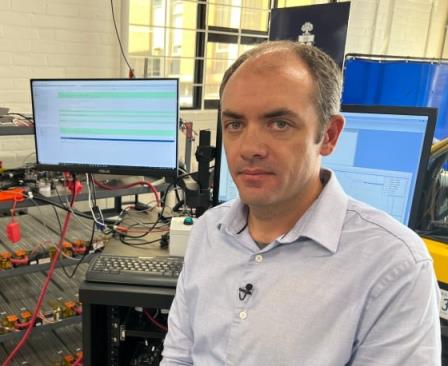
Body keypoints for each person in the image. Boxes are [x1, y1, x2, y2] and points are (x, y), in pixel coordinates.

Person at [161, 41, 441, 365]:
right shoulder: (209, 230)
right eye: (235, 124)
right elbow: (179, 356)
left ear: (330, 135)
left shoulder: (394, 265)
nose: (249, 147)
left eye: (279, 123)